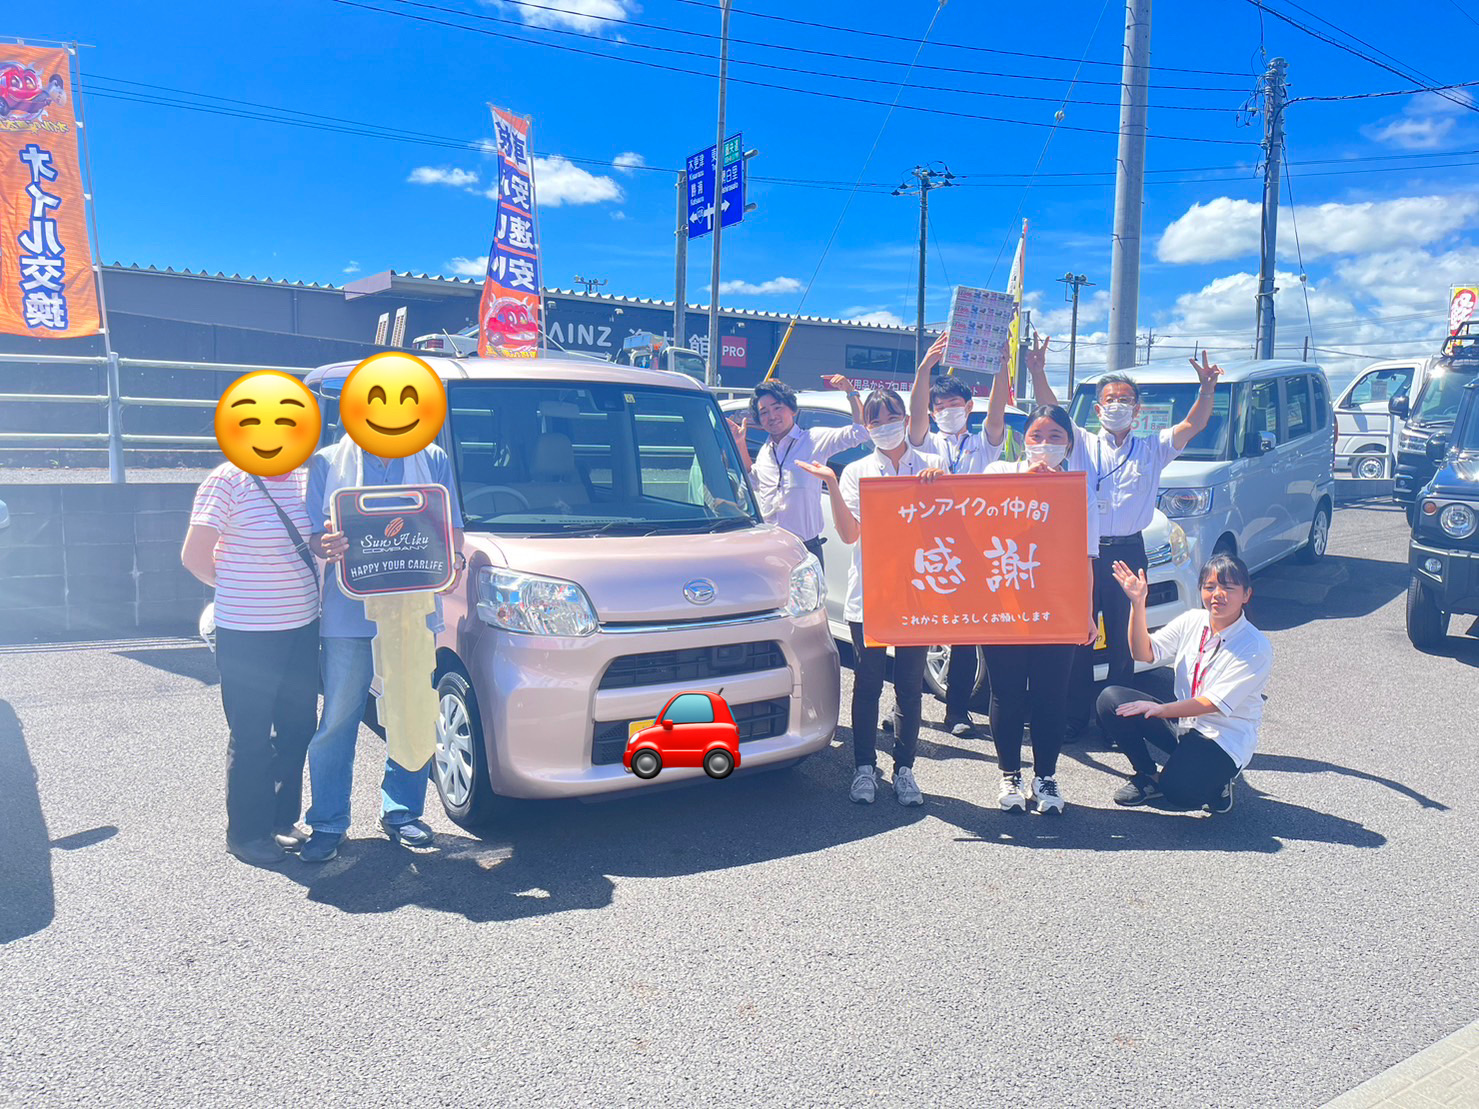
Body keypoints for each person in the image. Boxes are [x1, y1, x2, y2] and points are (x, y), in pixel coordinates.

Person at [1029, 341, 1223, 733]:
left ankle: (1117, 721)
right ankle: (1073, 719)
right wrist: (1036, 371)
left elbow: (1194, 425)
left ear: (1137, 410)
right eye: (1109, 399)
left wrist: (1206, 389)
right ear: (1098, 409)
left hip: (1130, 552)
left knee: (1122, 641)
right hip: (1084, 554)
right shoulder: (1081, 443)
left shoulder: (1152, 448)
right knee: (1080, 635)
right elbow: (1056, 415)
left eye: (1125, 400)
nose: (1117, 405)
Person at [299, 433, 465, 863]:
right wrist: (326, 545)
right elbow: (314, 536)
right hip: (347, 612)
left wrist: (452, 557)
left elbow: (453, 529)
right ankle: (328, 821)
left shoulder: (432, 458)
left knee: (411, 708)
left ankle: (402, 811)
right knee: (338, 716)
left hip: (414, 610)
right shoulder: (327, 461)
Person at [797, 387, 944, 807]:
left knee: (911, 686)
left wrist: (940, 488)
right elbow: (849, 534)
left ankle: (905, 769)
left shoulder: (932, 464)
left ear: (907, 417)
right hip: (873, 593)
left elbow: (952, 523)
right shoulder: (858, 471)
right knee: (867, 683)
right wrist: (830, 482)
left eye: (891, 416)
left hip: (918, 592)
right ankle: (864, 767)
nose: (884, 426)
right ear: (867, 426)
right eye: (875, 420)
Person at [182, 461, 321, 867]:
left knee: (298, 726)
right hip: (246, 631)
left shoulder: (303, 477)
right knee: (251, 732)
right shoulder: (228, 479)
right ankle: (245, 834)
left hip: (302, 624)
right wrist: (241, 588)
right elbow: (194, 556)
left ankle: (280, 819)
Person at [981, 404, 1100, 815]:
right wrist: (1023, 487)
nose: (1045, 445)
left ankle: (1045, 775)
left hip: (1056, 607)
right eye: (1036, 436)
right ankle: (1009, 772)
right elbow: (975, 532)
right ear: (1023, 440)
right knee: (1007, 693)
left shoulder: (1079, 487)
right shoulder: (998, 475)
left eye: (1055, 437)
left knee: (1052, 695)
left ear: (1069, 443)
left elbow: (1086, 556)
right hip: (1005, 605)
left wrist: (1085, 613)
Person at [1096, 553, 1272, 814]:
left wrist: (1161, 710)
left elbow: (1213, 703)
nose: (1218, 594)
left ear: (1246, 594)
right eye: (1210, 587)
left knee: (1179, 794)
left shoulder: (1254, 646)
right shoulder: (1192, 620)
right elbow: (1143, 653)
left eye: (1228, 588)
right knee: (1111, 700)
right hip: (1186, 727)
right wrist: (1137, 603)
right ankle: (1148, 776)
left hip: (1223, 739)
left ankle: (1218, 782)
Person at [907, 331, 1013, 738]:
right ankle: (908, 707)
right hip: (929, 545)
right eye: (940, 406)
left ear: (968, 407)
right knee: (920, 628)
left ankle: (957, 712)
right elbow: (914, 416)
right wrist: (924, 370)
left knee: (965, 633)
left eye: (954, 405)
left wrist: (1002, 366)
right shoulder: (925, 442)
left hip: (973, 546)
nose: (947, 411)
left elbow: (999, 411)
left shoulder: (983, 444)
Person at [728, 376, 870, 570]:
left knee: (810, 601)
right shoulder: (766, 450)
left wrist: (850, 392)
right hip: (768, 548)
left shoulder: (814, 439)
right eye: (764, 412)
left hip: (804, 549)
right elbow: (754, 482)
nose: (772, 416)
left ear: (792, 410)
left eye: (777, 408)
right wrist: (740, 444)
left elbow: (860, 433)